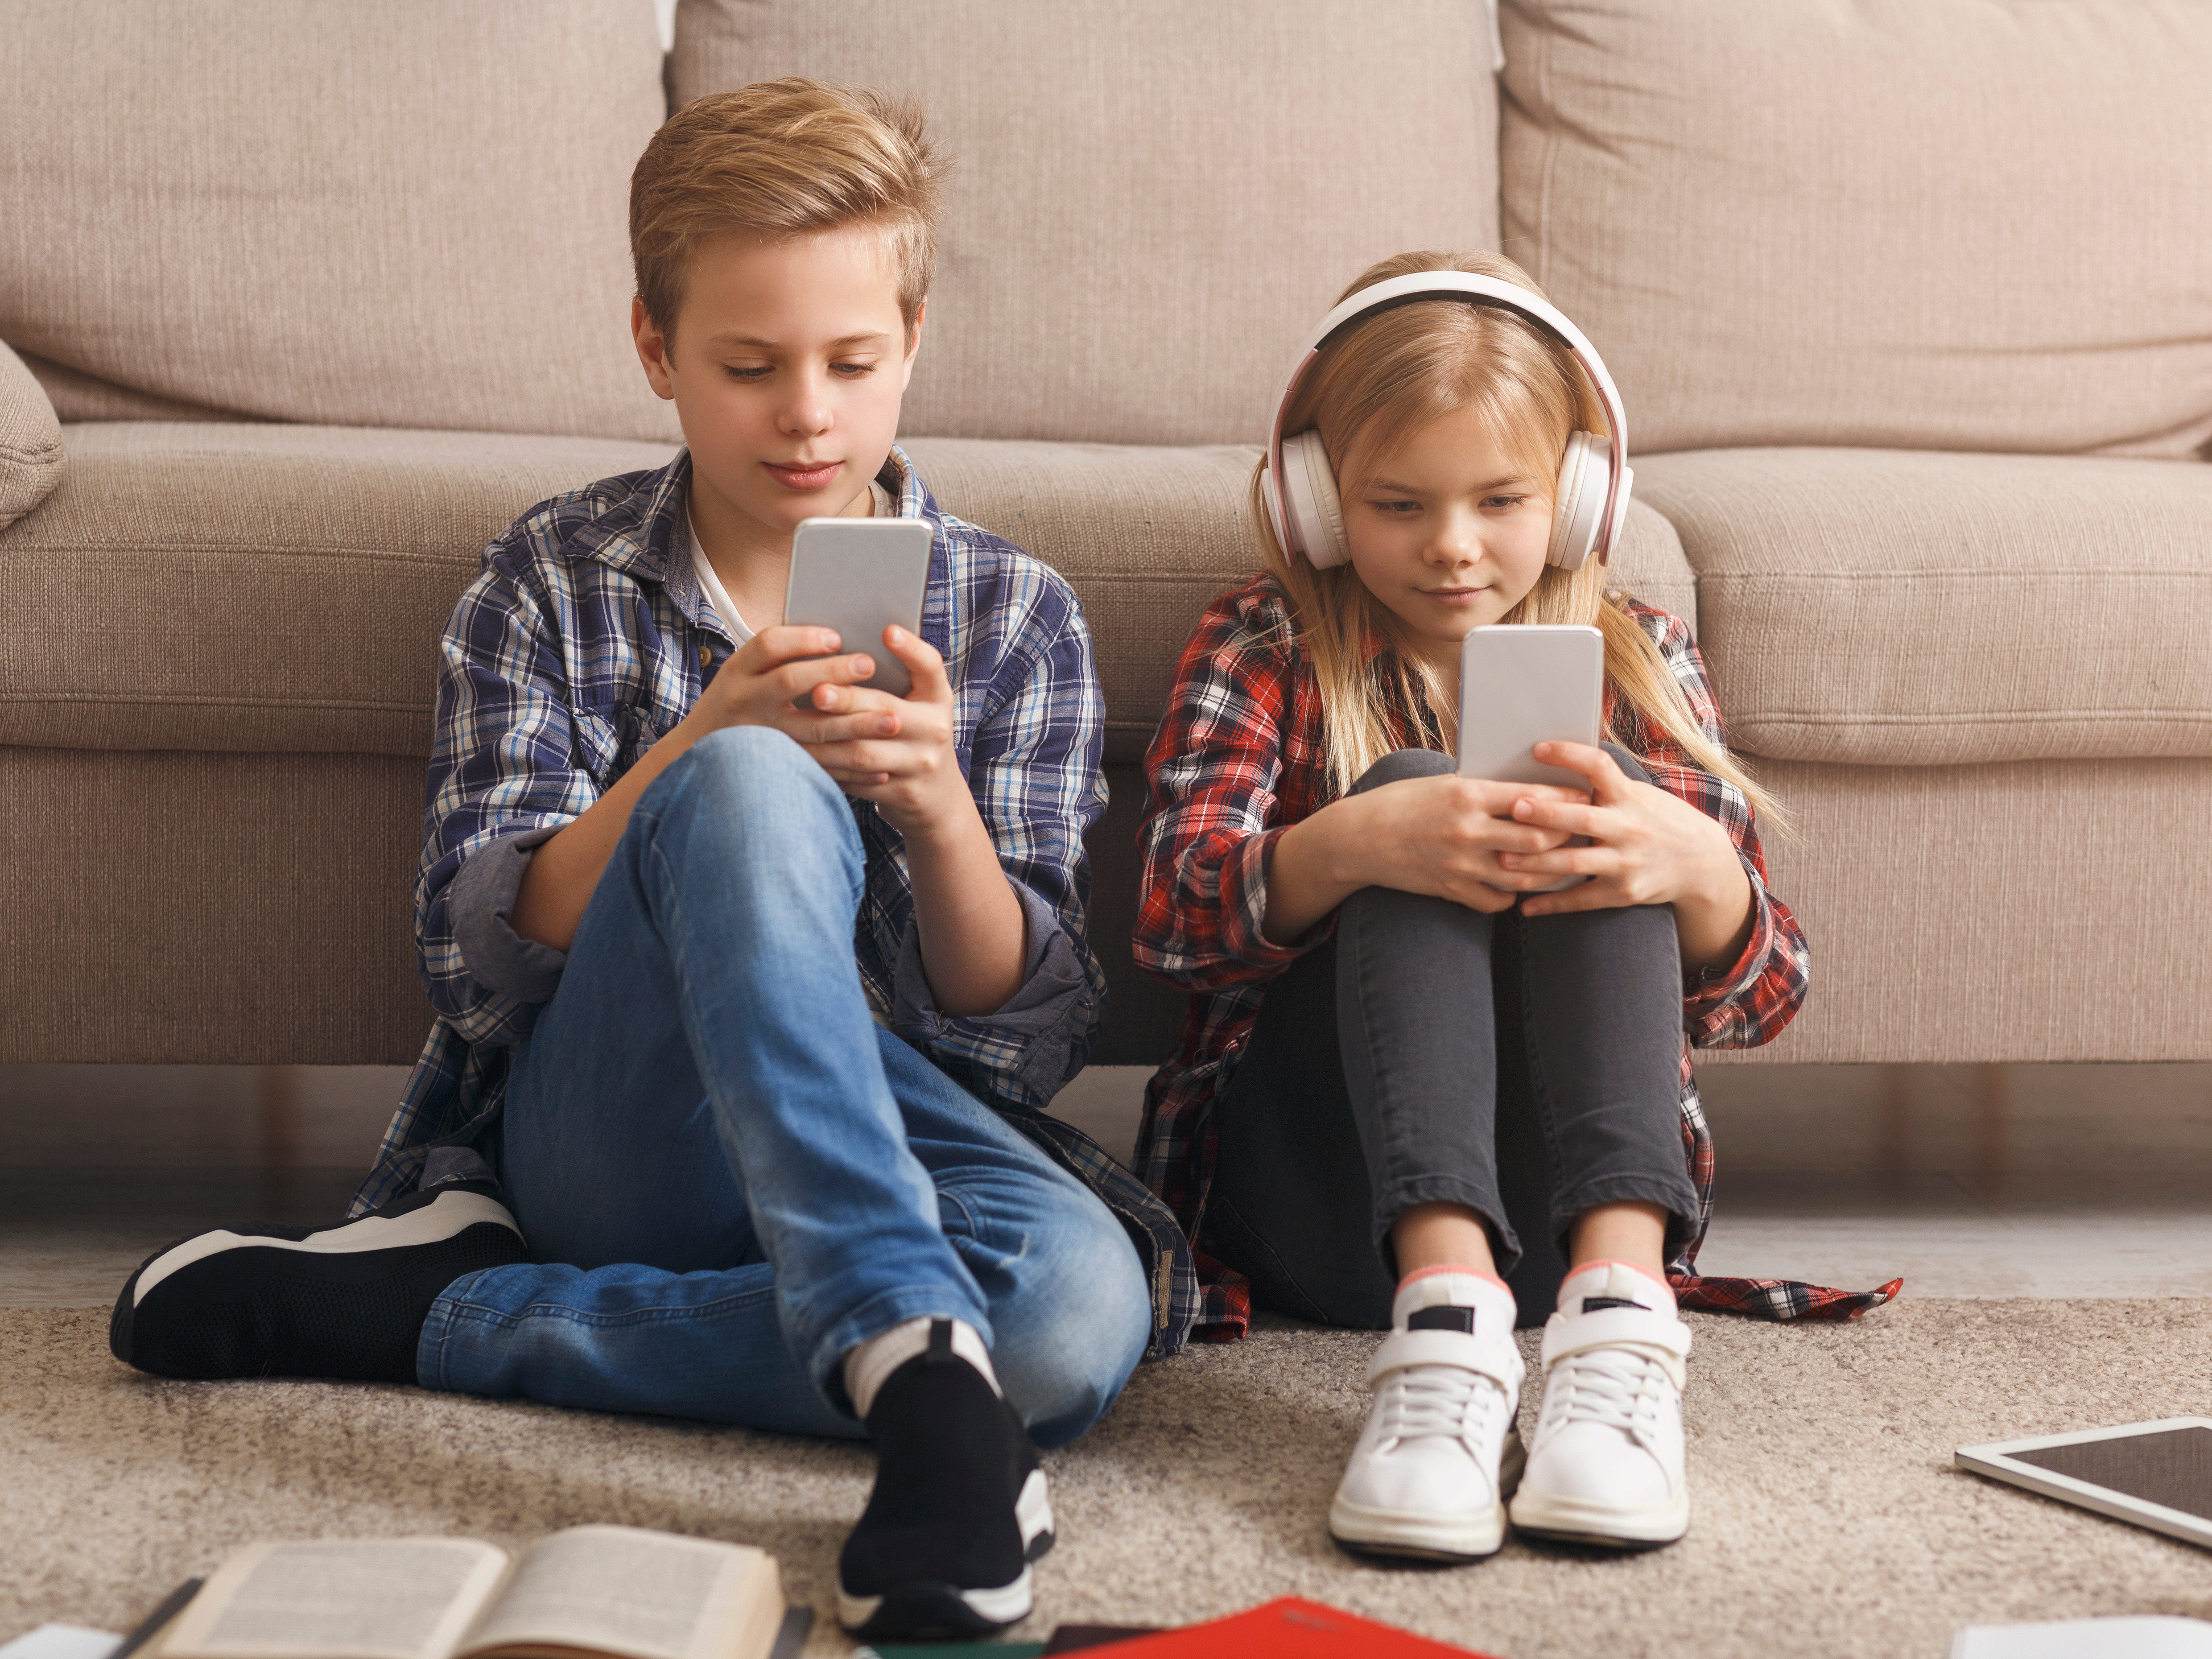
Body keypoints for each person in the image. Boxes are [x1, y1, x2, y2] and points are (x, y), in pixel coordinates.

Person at [105, 80, 1182, 1642]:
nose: (807, 412)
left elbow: (1021, 1040)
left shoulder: (1012, 615)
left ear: (915, 345)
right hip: (623, 1138)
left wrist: (942, 813)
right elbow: (480, 964)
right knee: (745, 780)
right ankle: (933, 1389)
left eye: (852, 363)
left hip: (889, 1121)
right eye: (749, 368)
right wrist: (694, 756)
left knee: (1080, 1318)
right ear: (656, 351)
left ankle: (447, 1315)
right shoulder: (550, 579)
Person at [1133, 250, 1892, 1564]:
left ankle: (1617, 1320)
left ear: (1582, 498)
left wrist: (1695, 870)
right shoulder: (1264, 645)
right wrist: (1351, 840)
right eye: (1397, 503)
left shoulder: (1635, 654)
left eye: (1501, 500)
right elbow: (1168, 924)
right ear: (1316, 503)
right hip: (1320, 1202)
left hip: (1565, 1213)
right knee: (1424, 793)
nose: (1452, 545)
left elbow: (1766, 996)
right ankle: (1441, 1328)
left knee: (1594, 815)